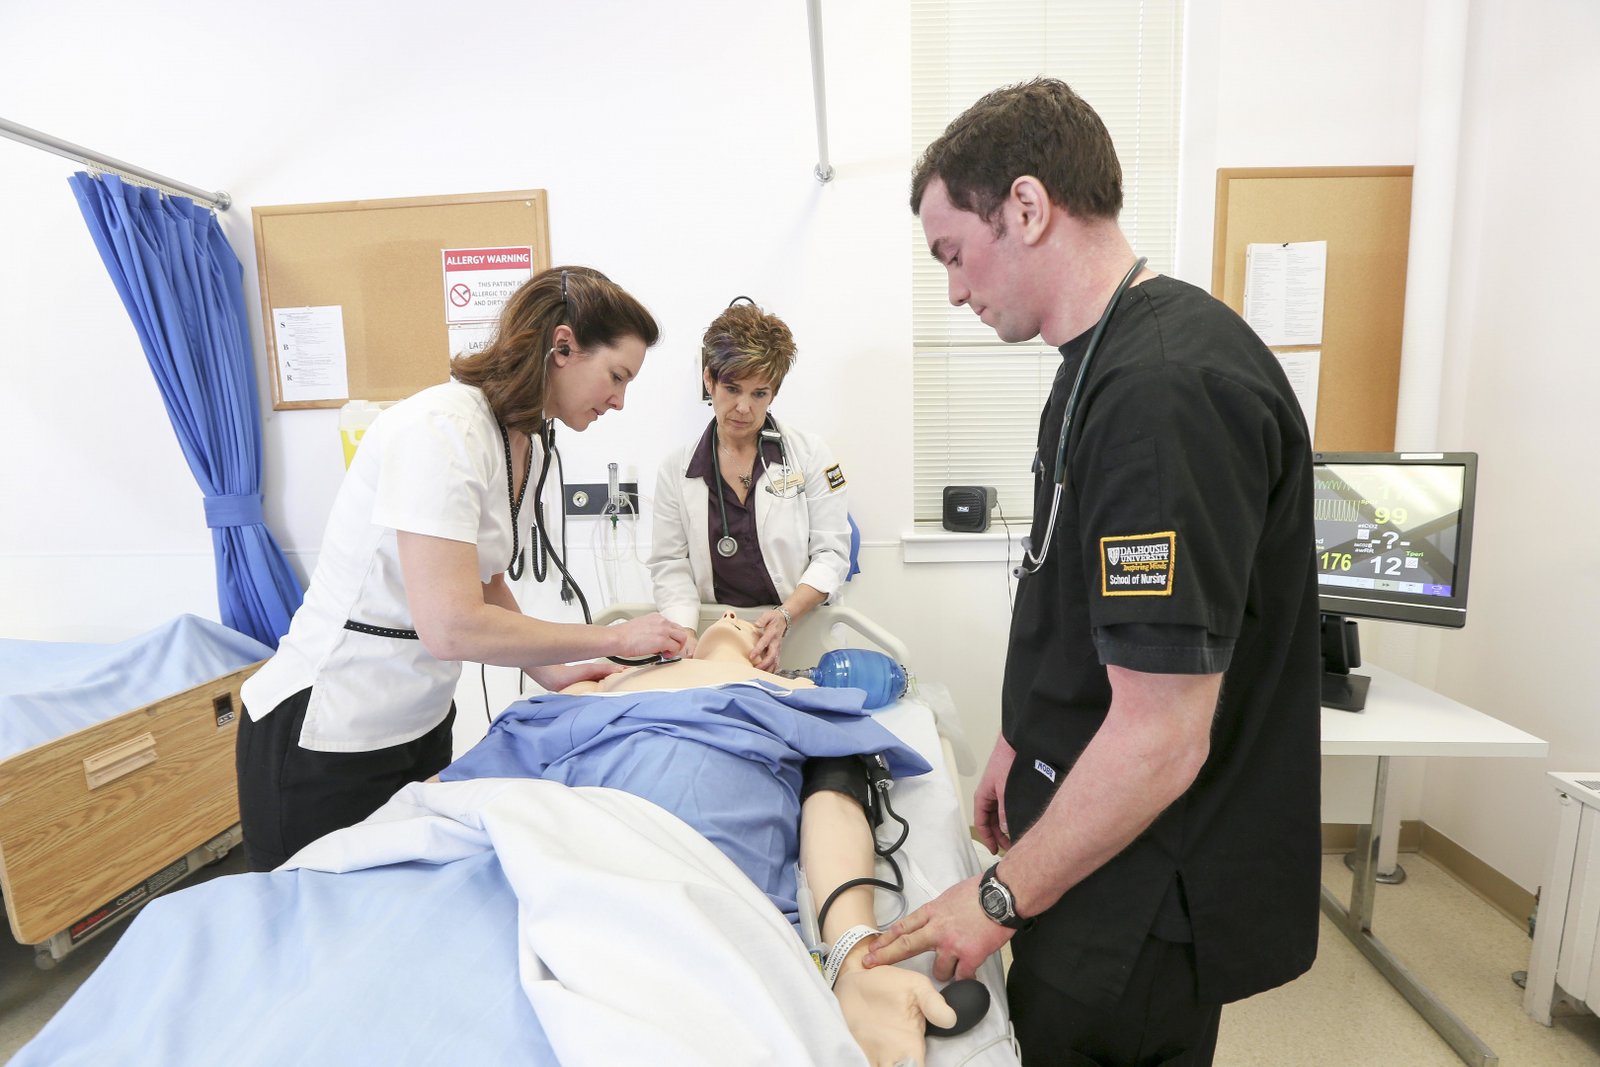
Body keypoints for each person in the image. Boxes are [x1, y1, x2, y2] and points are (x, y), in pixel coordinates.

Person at [865, 78, 1322, 1065]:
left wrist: (995, 896)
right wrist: (1019, 743)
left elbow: (1160, 738)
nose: (950, 287)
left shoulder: (1163, 393)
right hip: (1087, 841)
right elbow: (1076, 599)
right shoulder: (1093, 367)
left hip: (1139, 886)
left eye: (952, 253)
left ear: (1026, 207)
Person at [237, 266, 693, 872]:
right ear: (562, 347)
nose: (619, 400)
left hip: (419, 719)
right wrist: (616, 636)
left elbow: (484, 579)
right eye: (616, 376)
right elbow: (450, 625)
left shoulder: (521, 441)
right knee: (312, 935)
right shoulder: (442, 429)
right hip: (329, 730)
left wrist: (552, 670)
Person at [445, 611, 960, 1066]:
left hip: (711, 828)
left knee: (683, 987)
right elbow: (495, 764)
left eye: (748, 622)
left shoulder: (789, 692)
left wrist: (854, 959)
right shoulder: (606, 684)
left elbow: (834, 795)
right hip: (579, 827)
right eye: (729, 616)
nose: (733, 614)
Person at [649, 299, 852, 671]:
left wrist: (785, 616)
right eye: (732, 388)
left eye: (759, 393)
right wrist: (682, 631)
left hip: (798, 627)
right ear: (709, 379)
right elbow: (670, 563)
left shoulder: (810, 455)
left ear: (774, 392)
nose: (744, 407)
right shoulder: (676, 471)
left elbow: (832, 554)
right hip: (715, 634)